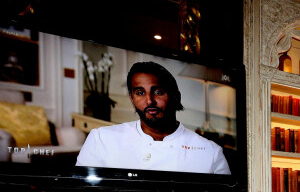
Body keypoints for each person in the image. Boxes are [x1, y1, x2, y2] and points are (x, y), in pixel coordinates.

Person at [76, 61, 231, 174]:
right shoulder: (101, 139)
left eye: (158, 92)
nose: (149, 101)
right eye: (140, 93)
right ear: (132, 98)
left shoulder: (210, 153)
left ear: (175, 97)